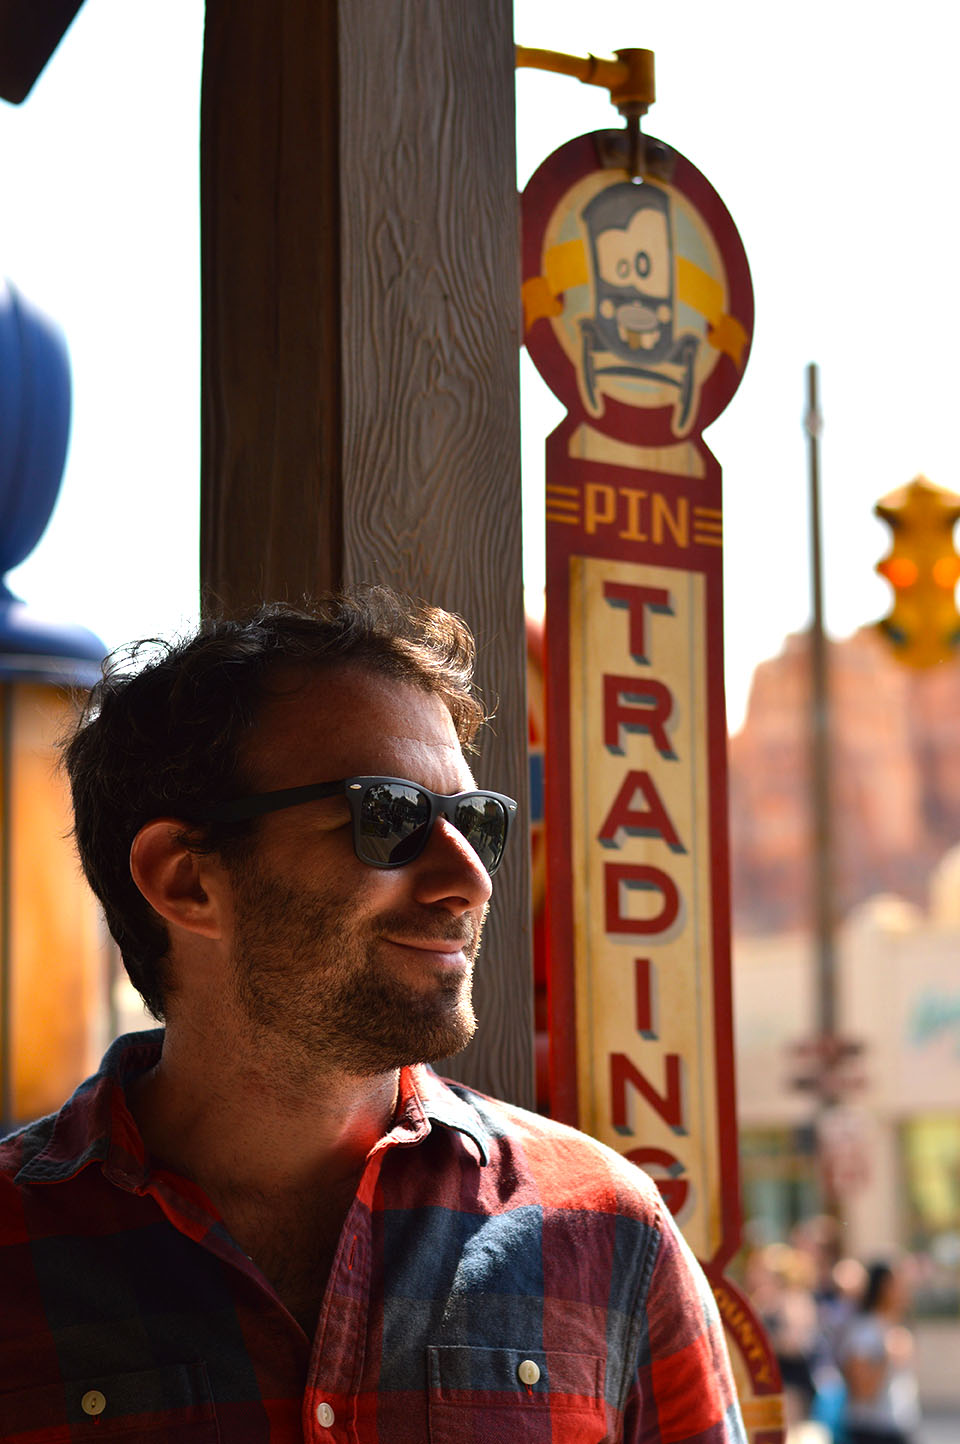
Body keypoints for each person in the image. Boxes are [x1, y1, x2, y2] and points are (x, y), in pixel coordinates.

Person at [0, 589, 745, 1443]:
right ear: (186, 879)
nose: (470, 879)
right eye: (387, 817)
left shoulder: (608, 1231)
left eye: (479, 824)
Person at [838, 1260, 920, 1444]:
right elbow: (862, 1391)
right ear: (883, 1288)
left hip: (900, 1424)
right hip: (871, 1429)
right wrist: (887, 1356)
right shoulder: (863, 1331)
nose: (905, 1290)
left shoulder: (900, 1325)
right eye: (898, 1284)